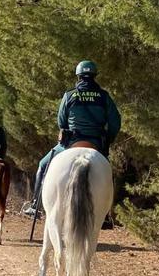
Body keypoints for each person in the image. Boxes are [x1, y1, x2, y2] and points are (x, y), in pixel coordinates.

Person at [22, 60, 121, 217]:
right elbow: (115, 122)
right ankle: (107, 214)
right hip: (96, 143)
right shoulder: (104, 96)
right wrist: (107, 139)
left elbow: (61, 121)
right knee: (106, 173)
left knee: (42, 166)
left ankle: (36, 205)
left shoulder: (69, 95)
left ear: (78, 76)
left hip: (71, 142)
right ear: (95, 76)